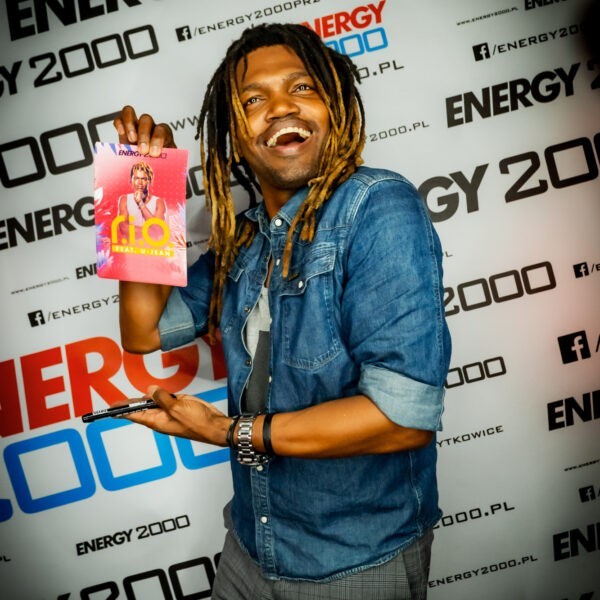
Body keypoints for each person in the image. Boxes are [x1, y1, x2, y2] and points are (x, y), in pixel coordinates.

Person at [114, 22, 451, 600]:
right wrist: (142, 188)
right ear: (235, 136)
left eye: (301, 88)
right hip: (251, 548)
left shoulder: (379, 207)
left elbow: (402, 419)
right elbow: (144, 330)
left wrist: (227, 432)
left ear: (335, 106)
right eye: (252, 100)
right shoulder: (247, 240)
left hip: (354, 563)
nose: (278, 107)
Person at [117, 161, 166, 241]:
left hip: (152, 247)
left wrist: (140, 203)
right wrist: (151, 232)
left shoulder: (159, 202)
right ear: (131, 180)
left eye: (143, 179)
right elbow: (123, 228)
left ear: (149, 181)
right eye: (136, 178)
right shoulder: (124, 199)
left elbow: (158, 229)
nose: (139, 182)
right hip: (131, 247)